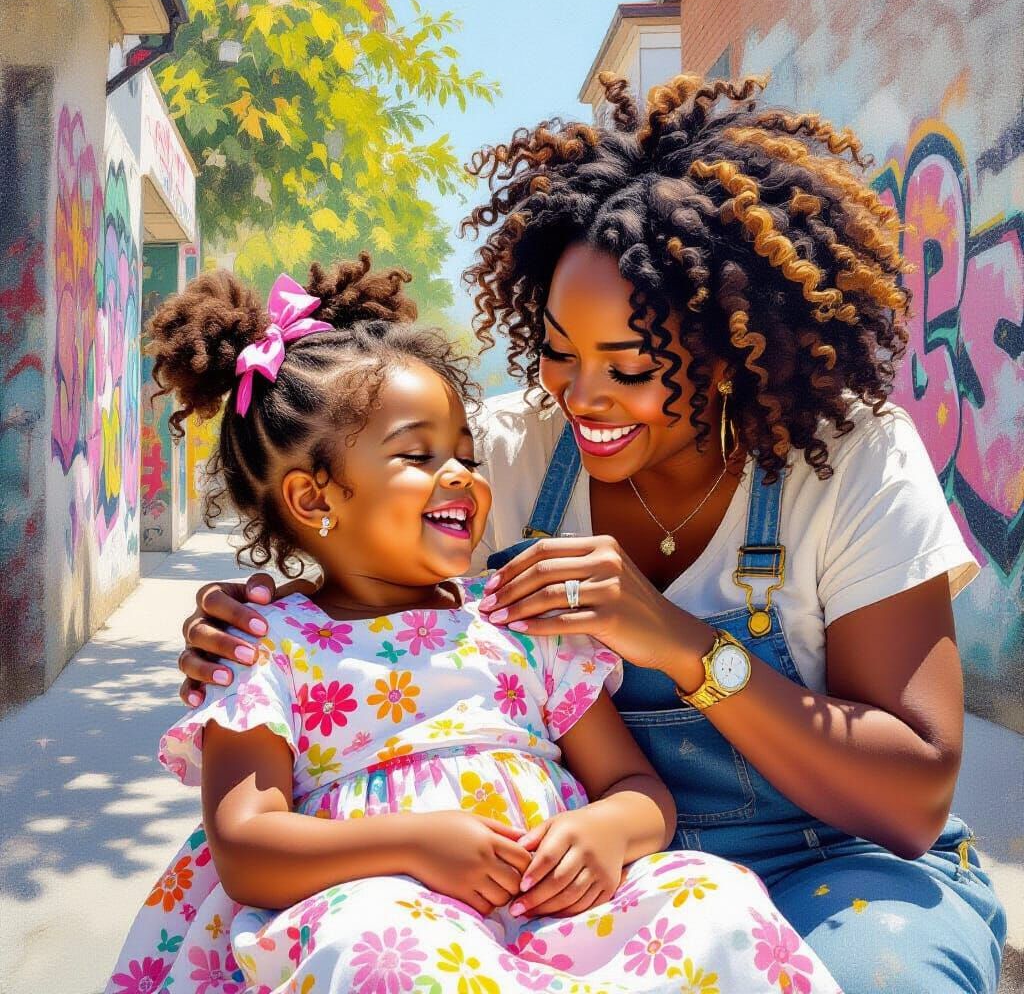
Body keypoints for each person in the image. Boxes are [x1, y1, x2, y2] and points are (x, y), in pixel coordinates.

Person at [176, 75, 1008, 994]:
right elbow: (356, 520)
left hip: (828, 861)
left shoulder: (848, 464)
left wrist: (677, 643)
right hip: (564, 895)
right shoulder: (501, 451)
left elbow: (911, 799)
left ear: (735, 349)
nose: (582, 397)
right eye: (559, 351)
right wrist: (261, 620)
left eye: (630, 365)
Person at [106, 257, 840, 994]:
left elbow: (635, 788)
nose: (460, 473)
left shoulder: (519, 617)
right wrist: (414, 846)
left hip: (553, 916)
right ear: (310, 497)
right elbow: (245, 846)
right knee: (386, 950)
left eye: (463, 452)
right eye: (417, 456)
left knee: (714, 901)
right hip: (377, 909)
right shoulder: (266, 645)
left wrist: (608, 829)